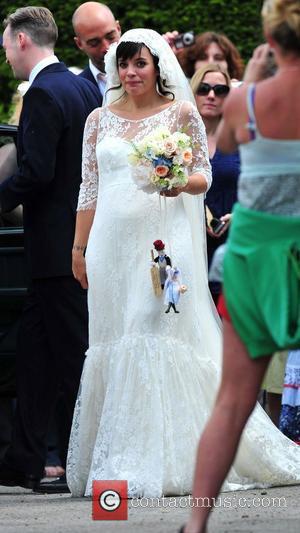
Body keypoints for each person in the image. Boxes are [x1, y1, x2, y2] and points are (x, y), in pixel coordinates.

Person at [67, 27, 300, 500]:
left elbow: (204, 176)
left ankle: (162, 458)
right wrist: (78, 248)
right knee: (114, 338)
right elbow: (88, 189)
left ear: (157, 67)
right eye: (124, 64)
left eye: (140, 64)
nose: (131, 73)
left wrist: (177, 182)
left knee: (154, 330)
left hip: (161, 242)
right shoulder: (97, 120)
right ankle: (119, 454)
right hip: (109, 246)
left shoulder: (180, 113)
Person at [184, 0, 300, 530]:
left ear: (269, 41)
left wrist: (249, 79)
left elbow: (225, 144)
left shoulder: (245, 101)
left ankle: (197, 522)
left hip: (253, 257)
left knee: (232, 402)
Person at [0, 6, 100, 492]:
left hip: (60, 250)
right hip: (66, 248)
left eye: (5, 45)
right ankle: (22, 460)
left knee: (74, 360)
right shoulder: (81, 85)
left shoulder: (42, 91)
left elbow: (35, 171)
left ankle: (91, 457)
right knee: (36, 358)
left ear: (22, 41)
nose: (6, 56)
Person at [190, 64, 239, 303]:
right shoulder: (176, 137)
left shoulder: (241, 137)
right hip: (190, 242)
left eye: (220, 90)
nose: (211, 95)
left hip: (231, 243)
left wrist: (239, 215)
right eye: (204, 88)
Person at [72, 2, 121, 98]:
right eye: (94, 43)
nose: (106, 47)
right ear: (79, 44)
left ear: (118, 28)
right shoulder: (74, 91)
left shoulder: (149, 76)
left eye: (111, 37)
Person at [178, 31, 244, 81]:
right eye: (203, 57)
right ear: (192, 65)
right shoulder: (178, 96)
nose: (210, 63)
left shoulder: (241, 96)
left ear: (229, 65)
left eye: (218, 58)